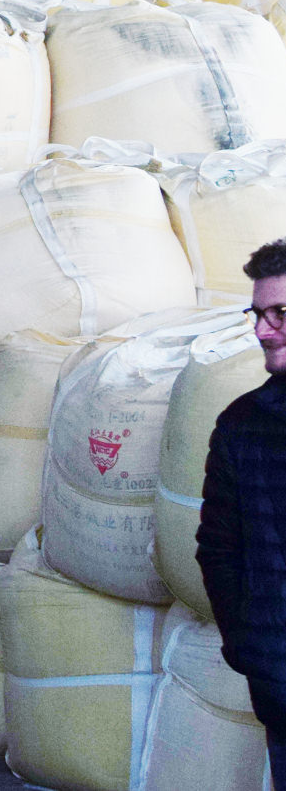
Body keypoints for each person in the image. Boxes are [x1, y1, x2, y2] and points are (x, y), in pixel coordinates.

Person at [199, 239, 286, 785]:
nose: (262, 330)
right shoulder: (242, 423)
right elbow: (218, 551)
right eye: (257, 314)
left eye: (281, 313)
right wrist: (250, 649)